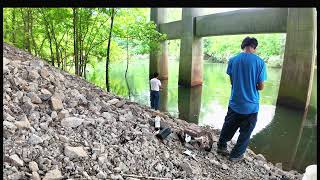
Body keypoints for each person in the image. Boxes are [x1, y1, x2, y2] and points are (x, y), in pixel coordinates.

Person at [217, 37, 267, 162]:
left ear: (243, 46)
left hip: (235, 102)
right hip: (251, 106)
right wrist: (252, 85)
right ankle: (235, 155)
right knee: (245, 133)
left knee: (228, 125)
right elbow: (260, 87)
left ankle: (222, 146)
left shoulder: (233, 60)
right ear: (254, 47)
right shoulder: (260, 62)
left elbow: (232, 81)